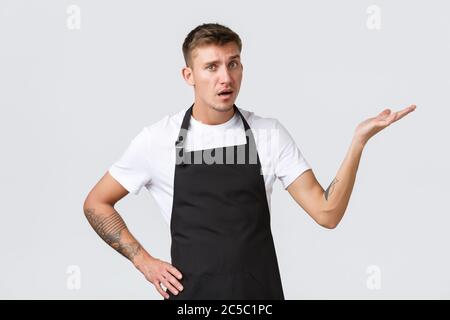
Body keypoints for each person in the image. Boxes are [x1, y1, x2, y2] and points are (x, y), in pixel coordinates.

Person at [83, 23, 416, 300]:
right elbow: (97, 203)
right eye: (211, 67)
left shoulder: (268, 134)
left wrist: (358, 141)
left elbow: (327, 213)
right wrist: (144, 261)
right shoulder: (158, 139)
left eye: (233, 63)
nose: (225, 77)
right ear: (189, 75)